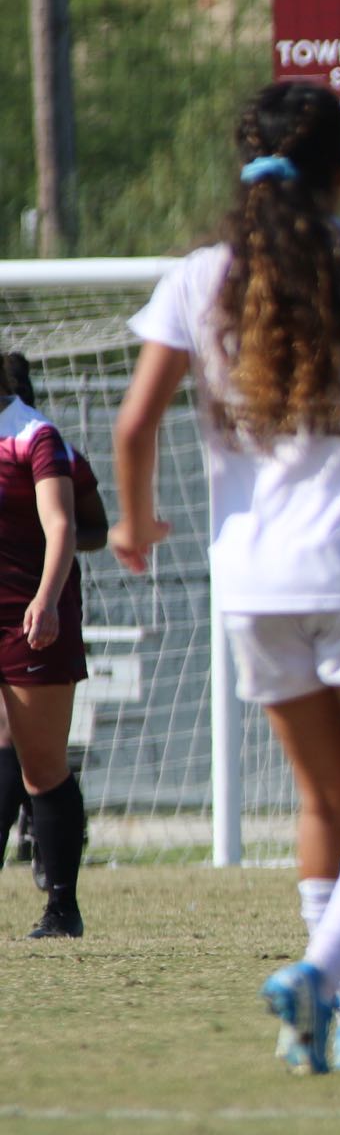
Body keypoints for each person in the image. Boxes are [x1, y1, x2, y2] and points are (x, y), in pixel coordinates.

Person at [114, 81, 340, 1072]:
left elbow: (135, 421)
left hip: (253, 582)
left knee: (325, 799)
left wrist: (135, 520)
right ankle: (321, 974)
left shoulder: (201, 280)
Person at [0, 353, 109, 903]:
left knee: (39, 762)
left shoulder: (42, 442)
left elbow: (82, 527)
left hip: (32, 616)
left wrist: (45, 591)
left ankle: (60, 896)